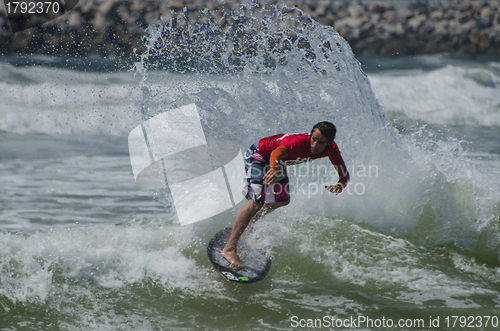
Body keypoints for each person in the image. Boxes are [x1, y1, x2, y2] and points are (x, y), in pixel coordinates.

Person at [220, 121, 350, 270]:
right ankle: (229, 249)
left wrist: (339, 186)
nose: (314, 145)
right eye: (313, 139)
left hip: (276, 163)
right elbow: (277, 152)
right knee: (256, 202)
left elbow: (344, 176)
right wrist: (274, 169)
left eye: (320, 143)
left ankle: (250, 222)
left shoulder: (331, 150)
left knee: (282, 200)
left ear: (329, 143)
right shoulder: (297, 143)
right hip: (259, 155)